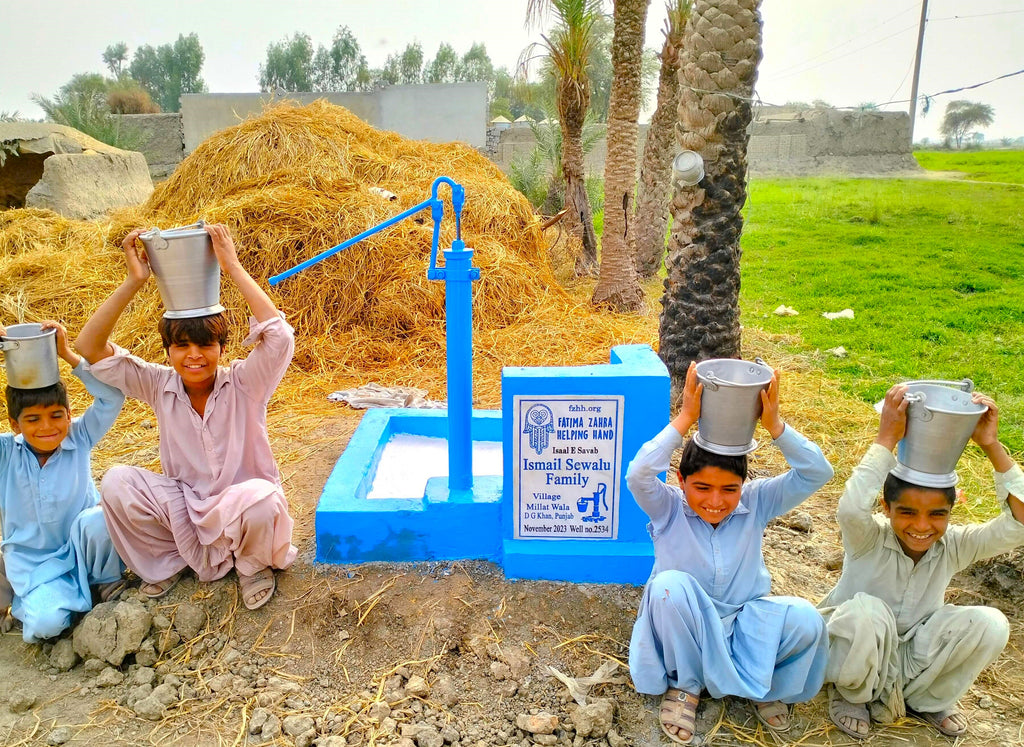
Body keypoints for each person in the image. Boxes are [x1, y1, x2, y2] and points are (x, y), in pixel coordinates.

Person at [75, 224, 297, 611]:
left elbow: (280, 336)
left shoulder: (247, 382)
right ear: (168, 351)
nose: (194, 355)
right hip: (187, 509)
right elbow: (88, 347)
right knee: (116, 482)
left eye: (205, 344)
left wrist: (231, 266)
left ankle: (252, 564)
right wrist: (134, 280)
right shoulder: (157, 385)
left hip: (241, 506)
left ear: (222, 347)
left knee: (262, 499)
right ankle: (171, 562)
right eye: (181, 345)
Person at [627, 362, 835, 744]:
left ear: (745, 484)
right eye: (702, 487)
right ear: (680, 481)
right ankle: (686, 685)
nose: (715, 501)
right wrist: (686, 417)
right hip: (684, 625)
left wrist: (775, 426)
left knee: (806, 619)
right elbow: (639, 473)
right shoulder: (668, 507)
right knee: (668, 587)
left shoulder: (757, 502)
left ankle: (768, 688)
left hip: (743, 621)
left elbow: (817, 473)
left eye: (729, 488)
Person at [821, 383, 1024, 739]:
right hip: (854, 650)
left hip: (910, 661)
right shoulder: (869, 538)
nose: (921, 526)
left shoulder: (955, 545)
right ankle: (851, 693)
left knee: (991, 623)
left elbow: (1019, 524)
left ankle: (927, 701)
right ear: (886, 508)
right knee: (867, 611)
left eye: (937, 514)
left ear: (951, 512)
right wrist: (886, 439)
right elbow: (851, 508)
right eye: (907, 512)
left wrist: (991, 445)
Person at [0, 321, 126, 642]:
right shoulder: (5, 453)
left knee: (101, 516)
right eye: (33, 419)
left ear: (70, 414)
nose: (47, 427)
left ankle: (103, 582)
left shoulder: (80, 437)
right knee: (45, 626)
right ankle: (25, 602)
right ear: (15, 423)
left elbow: (111, 398)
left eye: (57, 415)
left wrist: (68, 355)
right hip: (36, 569)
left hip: (82, 550)